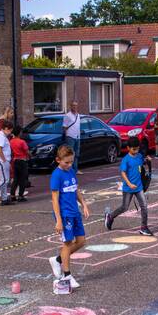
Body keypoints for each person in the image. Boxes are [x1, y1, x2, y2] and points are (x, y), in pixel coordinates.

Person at [49, 145, 90, 291]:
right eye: (66, 162)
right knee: (67, 243)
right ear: (58, 160)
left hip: (75, 212)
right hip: (65, 214)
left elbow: (75, 189)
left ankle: (58, 259)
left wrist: (84, 204)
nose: (69, 164)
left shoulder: (71, 171)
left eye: (71, 161)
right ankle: (67, 275)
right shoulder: (57, 175)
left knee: (81, 241)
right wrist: (59, 220)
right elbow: (55, 200)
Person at [104, 137, 153, 236]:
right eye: (134, 149)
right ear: (128, 148)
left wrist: (147, 161)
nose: (136, 151)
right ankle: (110, 216)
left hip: (139, 187)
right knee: (124, 207)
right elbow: (123, 173)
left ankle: (144, 227)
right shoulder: (126, 160)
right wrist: (129, 184)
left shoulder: (139, 156)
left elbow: (141, 163)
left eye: (137, 149)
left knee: (144, 206)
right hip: (128, 188)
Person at [8, 125, 31, 202]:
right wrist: (30, 155)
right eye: (21, 132)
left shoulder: (11, 141)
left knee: (15, 179)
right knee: (22, 179)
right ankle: (20, 196)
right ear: (19, 133)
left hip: (15, 161)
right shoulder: (22, 142)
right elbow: (27, 151)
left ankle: (12, 195)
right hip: (22, 161)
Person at [62, 101, 83, 173]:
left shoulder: (78, 115)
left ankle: (75, 170)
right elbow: (64, 127)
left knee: (76, 154)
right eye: (73, 105)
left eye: (76, 105)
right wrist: (66, 136)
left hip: (77, 137)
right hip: (70, 137)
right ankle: (69, 169)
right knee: (70, 154)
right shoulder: (67, 115)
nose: (75, 107)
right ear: (70, 106)